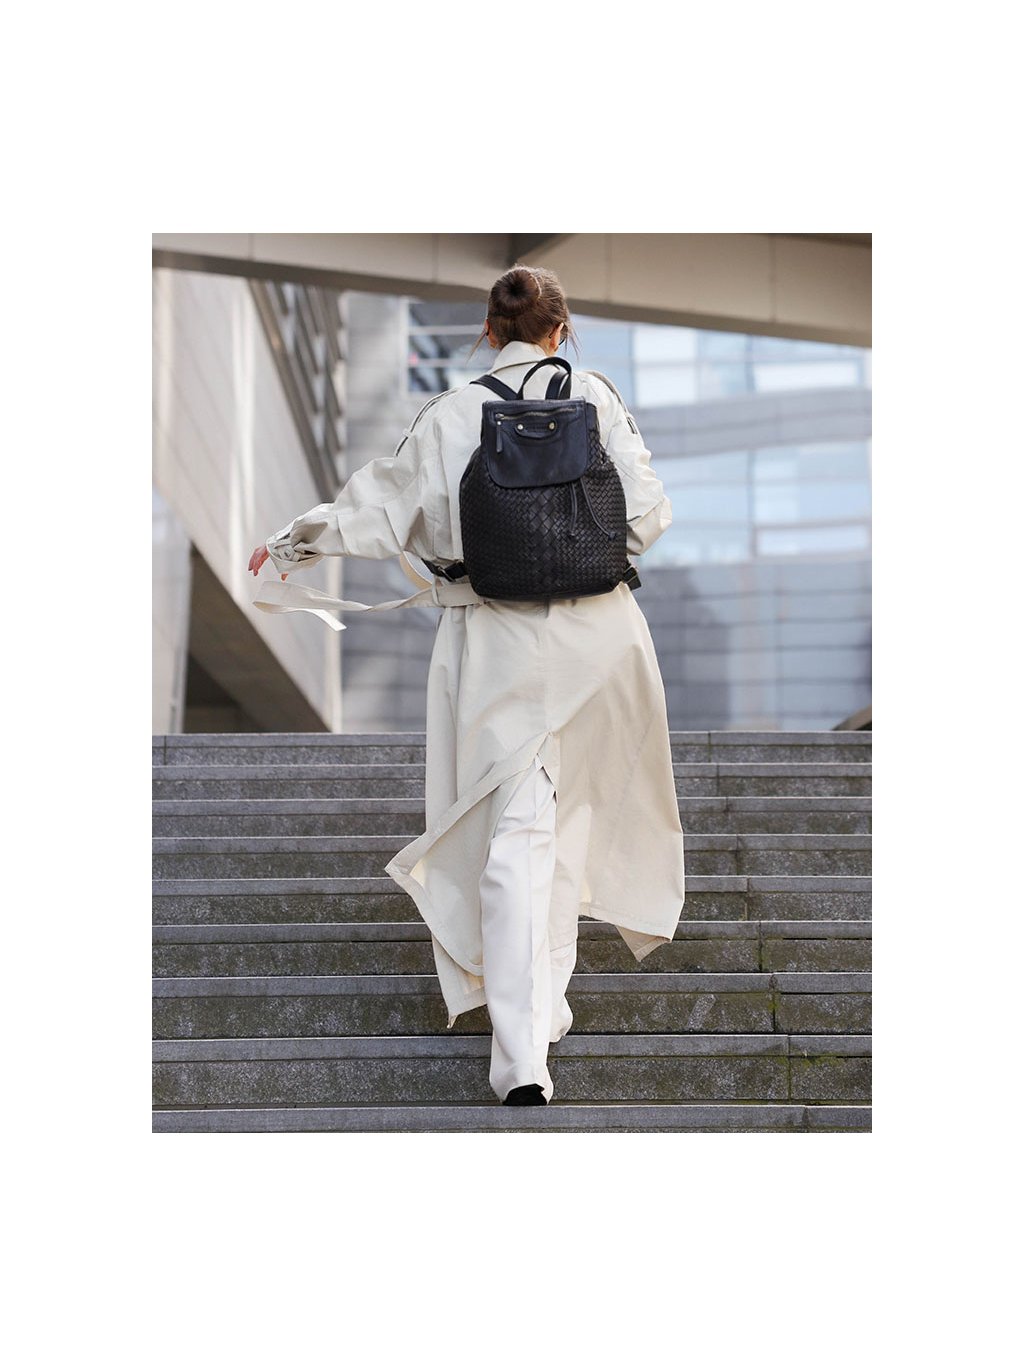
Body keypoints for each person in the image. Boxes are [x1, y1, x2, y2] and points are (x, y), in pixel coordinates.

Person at [248, 264, 686, 1106]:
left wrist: (292, 544)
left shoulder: (452, 412)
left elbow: (378, 511)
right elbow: (648, 516)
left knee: (513, 839)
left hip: (496, 644)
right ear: (561, 330)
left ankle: (522, 1052)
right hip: (599, 642)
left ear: (490, 331)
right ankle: (544, 1007)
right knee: (566, 829)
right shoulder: (595, 396)